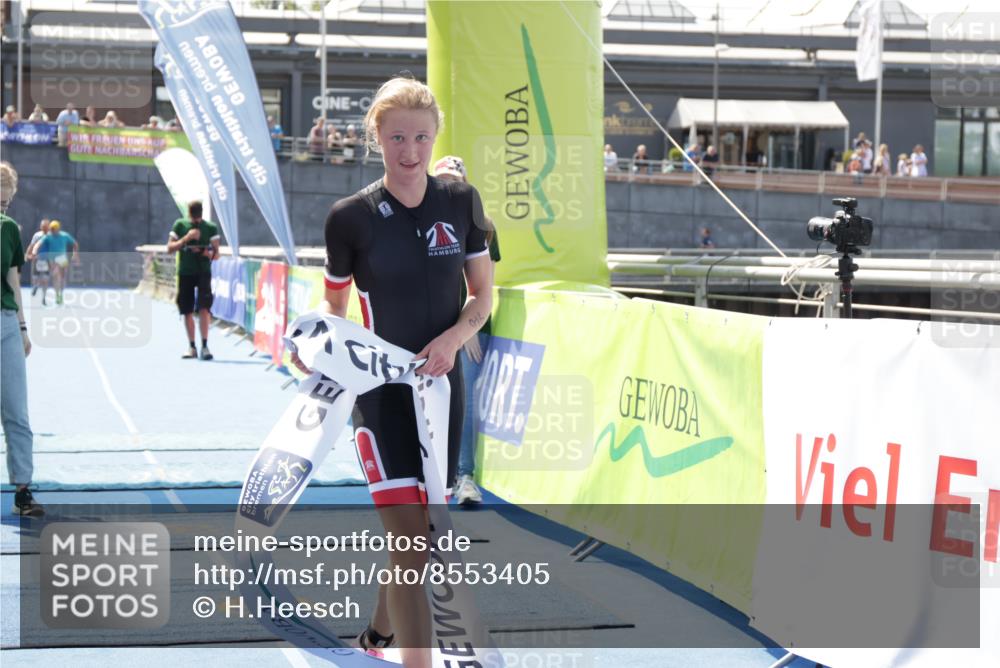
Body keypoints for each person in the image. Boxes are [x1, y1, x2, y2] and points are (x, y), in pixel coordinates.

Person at [301, 76, 493, 666]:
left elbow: (483, 297)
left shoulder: (461, 202)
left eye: (422, 138)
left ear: (436, 139)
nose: (410, 151)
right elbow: (334, 305)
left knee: (423, 539)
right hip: (379, 394)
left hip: (442, 387)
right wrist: (319, 349)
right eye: (397, 138)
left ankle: (377, 640)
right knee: (410, 540)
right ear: (375, 138)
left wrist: (455, 339)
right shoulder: (349, 218)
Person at [431, 154, 501, 506]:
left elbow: (483, 283)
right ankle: (431, 478)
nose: (450, 187)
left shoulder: (483, 224)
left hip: (469, 327)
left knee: (465, 399)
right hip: (432, 326)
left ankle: (465, 477)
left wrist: (468, 326)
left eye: (456, 181)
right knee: (427, 400)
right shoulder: (422, 219)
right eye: (443, 181)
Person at [1, 161, 43, 517]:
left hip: (5, 325)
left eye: (7, 200)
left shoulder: (10, 229)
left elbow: (13, 280)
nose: (4, 205)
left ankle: (23, 490)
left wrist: (23, 327)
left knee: (17, 410)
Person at [166, 201, 220, 360]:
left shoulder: (210, 228)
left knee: (204, 308)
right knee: (187, 310)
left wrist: (204, 251)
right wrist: (186, 238)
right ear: (189, 213)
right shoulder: (180, 225)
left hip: (203, 272)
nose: (196, 219)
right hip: (185, 272)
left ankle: (204, 345)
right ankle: (191, 346)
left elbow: (216, 255)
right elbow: (169, 248)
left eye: (198, 216)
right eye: (193, 216)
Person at [31, 220, 78, 306]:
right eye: (51, 229)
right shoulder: (48, 236)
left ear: (58, 228)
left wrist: (75, 254)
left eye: (54, 229)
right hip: (52, 259)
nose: (52, 230)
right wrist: (34, 251)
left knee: (63, 277)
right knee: (56, 277)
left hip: (62, 258)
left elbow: (74, 243)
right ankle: (57, 295)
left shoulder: (64, 235)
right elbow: (38, 244)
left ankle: (60, 294)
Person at [26, 219, 51, 305]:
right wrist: (28, 254)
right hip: (36, 259)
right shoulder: (37, 235)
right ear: (40, 227)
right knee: (35, 277)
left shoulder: (51, 236)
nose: (44, 228)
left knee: (46, 279)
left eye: (46, 226)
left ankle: (44, 298)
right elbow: (31, 245)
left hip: (47, 260)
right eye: (43, 226)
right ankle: (36, 286)